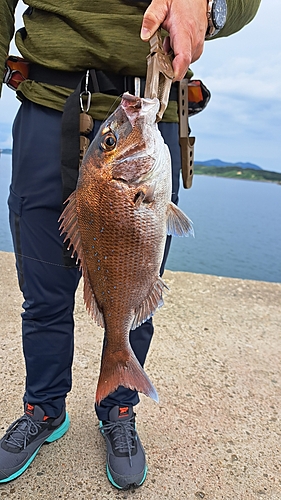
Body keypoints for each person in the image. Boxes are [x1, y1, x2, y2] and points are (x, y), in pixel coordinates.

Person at [0, 0, 261, 490]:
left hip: (147, 109)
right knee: (42, 292)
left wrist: (207, 7)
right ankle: (44, 408)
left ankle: (118, 406)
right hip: (46, 102)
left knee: (137, 291)